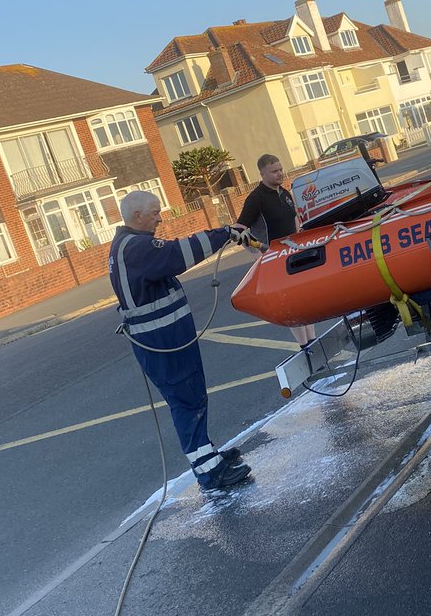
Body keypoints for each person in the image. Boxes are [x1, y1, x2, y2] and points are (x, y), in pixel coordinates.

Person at [109, 190, 253, 492]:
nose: (160, 219)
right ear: (137, 216)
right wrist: (223, 233)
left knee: (192, 397)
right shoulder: (135, 248)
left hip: (166, 340)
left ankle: (208, 457)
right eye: (154, 212)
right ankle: (209, 474)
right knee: (187, 401)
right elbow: (177, 253)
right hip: (163, 343)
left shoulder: (130, 246)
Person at [234, 154, 316, 347]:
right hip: (275, 259)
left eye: (280, 169)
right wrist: (258, 255)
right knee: (291, 303)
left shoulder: (284, 193)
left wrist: (302, 240)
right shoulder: (256, 199)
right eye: (274, 171)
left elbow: (294, 218)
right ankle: (305, 347)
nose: (280, 174)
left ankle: (313, 340)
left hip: (295, 253)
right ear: (262, 173)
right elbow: (239, 229)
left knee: (304, 298)